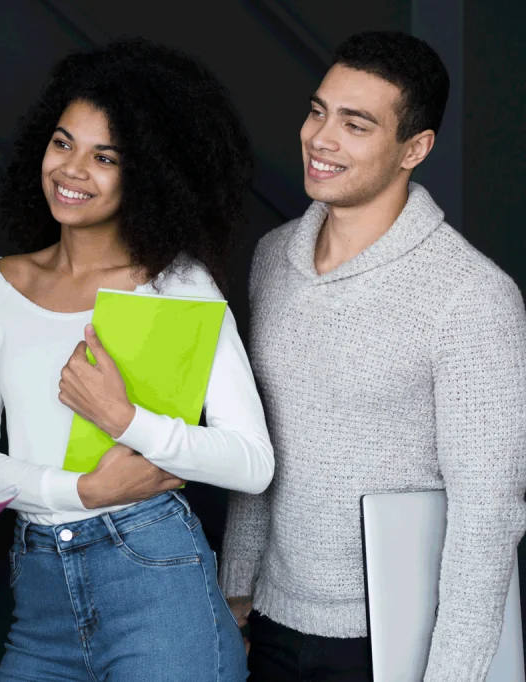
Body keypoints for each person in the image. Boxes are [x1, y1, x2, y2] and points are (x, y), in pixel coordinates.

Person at [0, 38, 274, 681]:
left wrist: (127, 422)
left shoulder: (175, 284)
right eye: (63, 143)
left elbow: (252, 462)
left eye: (105, 157)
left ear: (146, 174)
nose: (72, 170)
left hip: (154, 582)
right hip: (39, 595)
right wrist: (82, 490)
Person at [220, 31, 526, 681]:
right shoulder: (274, 257)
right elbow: (262, 437)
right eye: (318, 111)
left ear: (415, 147)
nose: (321, 138)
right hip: (270, 622)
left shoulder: (473, 297)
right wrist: (235, 596)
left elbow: (489, 515)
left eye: (355, 124)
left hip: (391, 641)